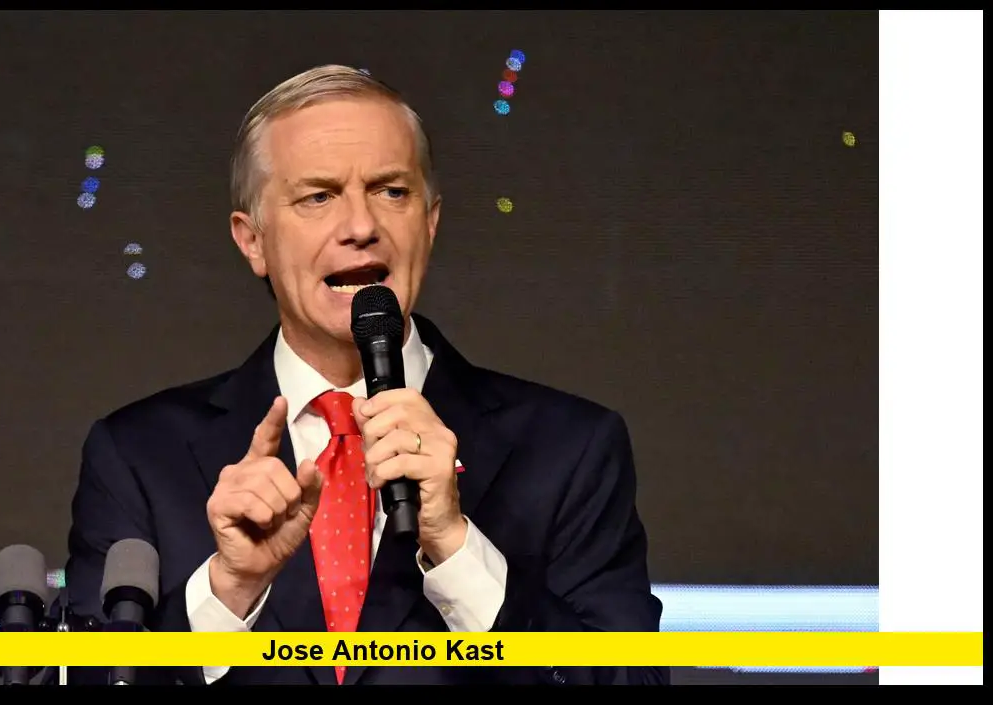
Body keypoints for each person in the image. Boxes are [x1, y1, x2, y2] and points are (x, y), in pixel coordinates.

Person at [59, 64, 668, 686]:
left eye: (391, 191)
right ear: (253, 241)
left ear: (430, 223)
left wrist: (457, 550)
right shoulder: (137, 456)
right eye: (318, 197)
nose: (361, 227)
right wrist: (229, 592)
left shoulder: (570, 448)